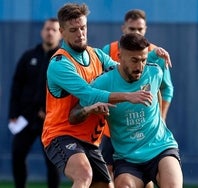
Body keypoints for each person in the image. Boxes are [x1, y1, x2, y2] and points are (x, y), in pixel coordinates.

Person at [41, 3, 171, 188]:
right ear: (61, 31)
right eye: (74, 30)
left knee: (106, 185)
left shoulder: (96, 54)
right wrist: (128, 96)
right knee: (84, 174)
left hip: (91, 140)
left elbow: (122, 70)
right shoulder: (60, 64)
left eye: (83, 27)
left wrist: (150, 58)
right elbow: (89, 94)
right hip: (62, 134)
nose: (80, 33)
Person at [69, 33, 183, 188]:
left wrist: (155, 55)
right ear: (119, 56)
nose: (140, 67)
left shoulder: (154, 72)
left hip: (161, 148)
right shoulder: (103, 82)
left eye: (143, 60)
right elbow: (74, 116)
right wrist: (90, 110)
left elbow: (165, 88)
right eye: (134, 60)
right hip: (128, 158)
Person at [101, 9, 174, 187]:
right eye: (132, 29)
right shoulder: (108, 50)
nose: (136, 33)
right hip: (115, 129)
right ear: (123, 28)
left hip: (145, 129)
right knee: (108, 174)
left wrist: (162, 117)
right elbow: (101, 85)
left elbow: (166, 89)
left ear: (145, 30)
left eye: (140, 29)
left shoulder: (156, 55)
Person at [8, 18, 62, 188]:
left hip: (50, 120)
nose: (50, 32)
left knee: (52, 161)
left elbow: (67, 93)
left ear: (60, 34)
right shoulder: (28, 56)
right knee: (17, 154)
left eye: (54, 29)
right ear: (42, 32)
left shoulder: (63, 60)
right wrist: (13, 114)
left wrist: (49, 112)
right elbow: (16, 86)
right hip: (25, 118)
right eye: (47, 29)